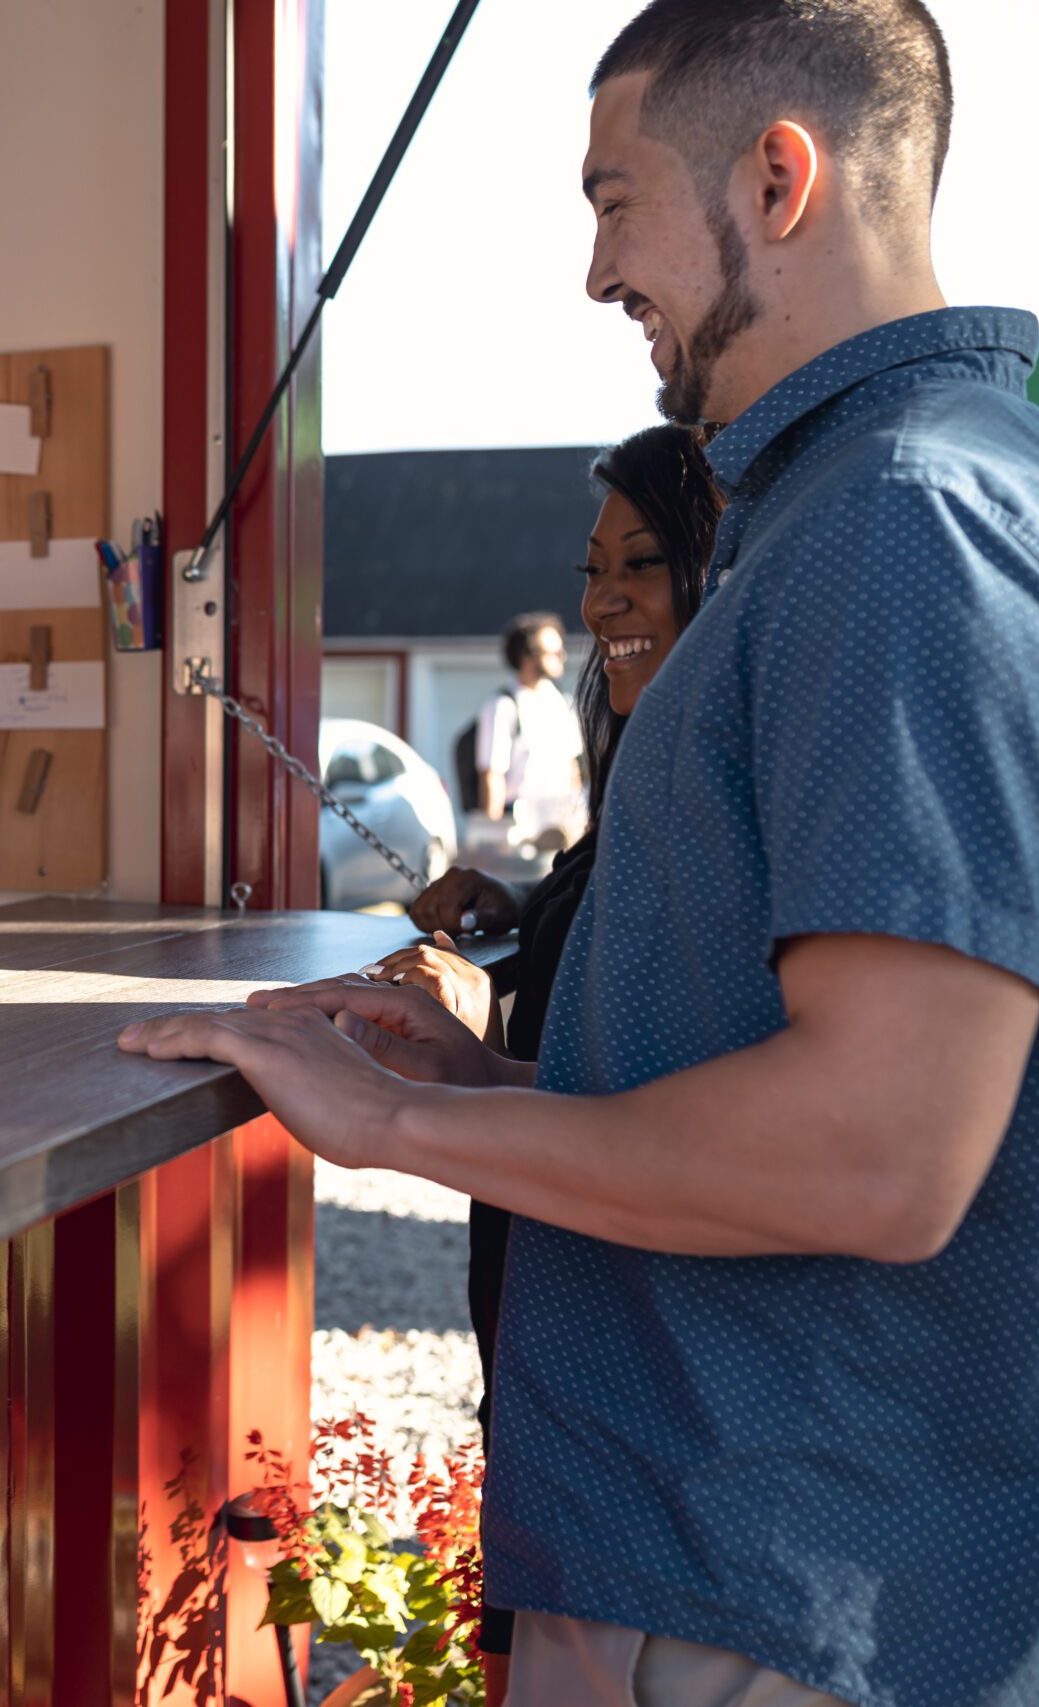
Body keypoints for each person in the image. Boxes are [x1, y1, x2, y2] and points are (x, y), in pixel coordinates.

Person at [120, 3, 1039, 1703]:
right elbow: (765, 1054)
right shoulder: (866, 500)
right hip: (757, 1566)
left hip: (773, 1583)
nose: (595, 272)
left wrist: (400, 1122)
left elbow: (879, 1150)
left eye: (613, 201)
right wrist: (496, 1074)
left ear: (779, 174)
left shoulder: (909, 515)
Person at [369, 422, 720, 1684]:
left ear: (721, 572)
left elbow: (681, 1091)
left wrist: (468, 1048)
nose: (603, 598)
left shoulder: (723, 777)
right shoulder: (646, 759)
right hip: (545, 1280)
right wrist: (521, 904)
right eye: (590, 568)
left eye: (644, 562)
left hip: (621, 1351)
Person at [458, 612, 585, 856]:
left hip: (560, 831)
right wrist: (493, 844)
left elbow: (573, 770)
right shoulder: (503, 706)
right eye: (552, 652)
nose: (562, 656)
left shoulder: (562, 704)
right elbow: (492, 776)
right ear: (526, 657)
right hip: (518, 834)